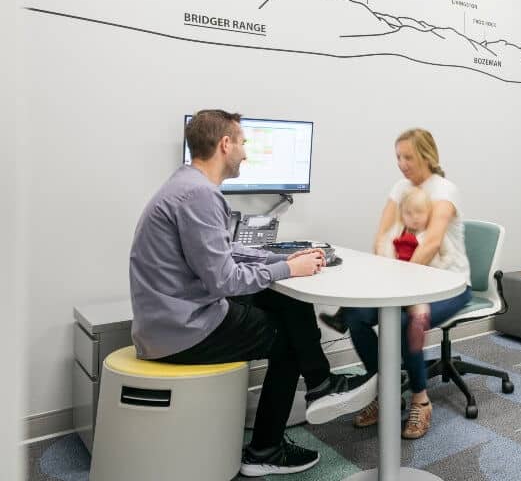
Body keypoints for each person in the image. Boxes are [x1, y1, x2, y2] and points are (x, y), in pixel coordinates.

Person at [129, 110, 376, 478]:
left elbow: (224, 253)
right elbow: (224, 281)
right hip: (183, 330)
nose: (246, 153)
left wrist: (280, 257)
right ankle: (267, 448)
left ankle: (322, 385)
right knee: (289, 339)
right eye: (243, 143)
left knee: (284, 299)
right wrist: (288, 269)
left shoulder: (187, 186)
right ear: (225, 144)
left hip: (174, 316)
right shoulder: (199, 196)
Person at [343, 128, 471, 440]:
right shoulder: (400, 187)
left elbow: (432, 243)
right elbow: (382, 234)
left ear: (427, 156)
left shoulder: (444, 190)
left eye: (408, 157)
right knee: (354, 314)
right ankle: (385, 390)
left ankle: (420, 399)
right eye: (398, 157)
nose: (401, 163)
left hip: (448, 284)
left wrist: (402, 288)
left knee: (405, 321)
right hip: (403, 282)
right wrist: (387, 277)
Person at [321, 186, 465, 351]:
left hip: (420, 281)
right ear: (402, 215)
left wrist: (434, 270)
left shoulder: (432, 234)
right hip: (398, 277)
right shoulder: (399, 231)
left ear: (429, 213)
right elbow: (386, 250)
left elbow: (449, 255)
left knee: (417, 305)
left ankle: (418, 325)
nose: (415, 218)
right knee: (365, 282)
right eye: (409, 213)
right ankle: (341, 317)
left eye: (420, 212)